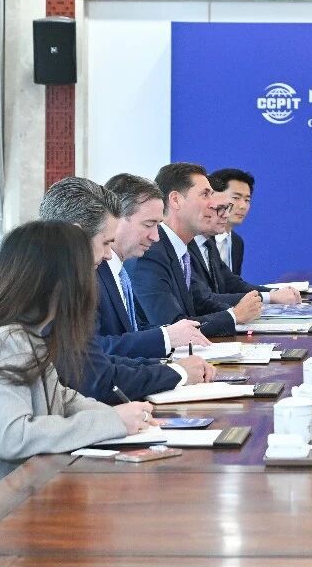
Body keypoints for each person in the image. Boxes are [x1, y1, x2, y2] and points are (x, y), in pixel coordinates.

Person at [0, 221, 158, 504]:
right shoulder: (6, 342)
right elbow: (14, 437)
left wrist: (125, 416)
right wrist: (112, 421)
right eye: (88, 272)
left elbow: (62, 398)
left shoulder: (25, 333)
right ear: (59, 282)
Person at [38, 177, 213, 398]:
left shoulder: (71, 279)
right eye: (105, 242)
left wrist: (171, 367)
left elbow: (98, 360)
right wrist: (177, 371)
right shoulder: (61, 289)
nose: (108, 254)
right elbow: (96, 376)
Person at [128, 163, 262, 337]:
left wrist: (246, 311)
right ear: (176, 200)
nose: (214, 204)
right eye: (205, 194)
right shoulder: (151, 252)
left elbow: (202, 302)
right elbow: (172, 327)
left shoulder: (180, 251)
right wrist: (234, 316)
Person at [98, 173, 209, 359]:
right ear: (116, 218)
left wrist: (171, 335)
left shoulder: (119, 272)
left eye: (158, 225)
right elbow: (96, 350)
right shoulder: (92, 274)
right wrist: (166, 338)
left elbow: (133, 330)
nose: (156, 237)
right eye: (149, 224)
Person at [194, 171, 301, 304]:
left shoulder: (220, 243)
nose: (242, 206)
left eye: (247, 200)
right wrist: (270, 297)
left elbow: (232, 283)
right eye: (236, 198)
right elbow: (201, 299)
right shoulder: (191, 243)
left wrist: (275, 293)